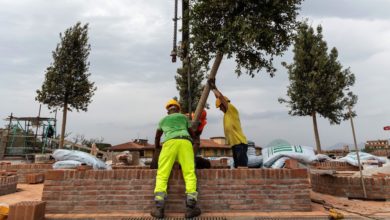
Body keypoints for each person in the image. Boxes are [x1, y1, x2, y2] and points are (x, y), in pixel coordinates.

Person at [151, 99, 201, 219]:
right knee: (189, 172)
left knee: (162, 174)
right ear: (178, 109)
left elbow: (157, 136)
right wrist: (194, 141)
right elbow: (192, 132)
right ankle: (190, 208)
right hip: (185, 143)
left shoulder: (163, 120)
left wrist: (158, 147)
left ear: (168, 111)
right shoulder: (183, 117)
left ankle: (159, 208)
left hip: (169, 144)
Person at [208, 79, 248, 168]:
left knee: (242, 168)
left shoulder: (230, 108)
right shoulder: (226, 114)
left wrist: (214, 88)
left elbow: (221, 98)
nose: (220, 109)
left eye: (220, 107)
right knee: (238, 167)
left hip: (240, 144)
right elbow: (219, 99)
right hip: (235, 144)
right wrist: (213, 89)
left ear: (223, 105)